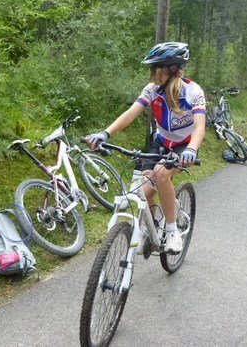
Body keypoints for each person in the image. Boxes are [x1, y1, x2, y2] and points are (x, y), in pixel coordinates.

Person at [85, 42, 206, 253]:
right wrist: (105, 133)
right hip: (161, 141)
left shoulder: (193, 91)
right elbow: (131, 113)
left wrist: (192, 150)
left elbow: (200, 126)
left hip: (184, 145)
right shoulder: (152, 90)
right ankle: (152, 228)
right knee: (143, 189)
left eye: (155, 69)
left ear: (170, 70)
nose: (151, 74)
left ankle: (172, 231)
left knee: (160, 175)